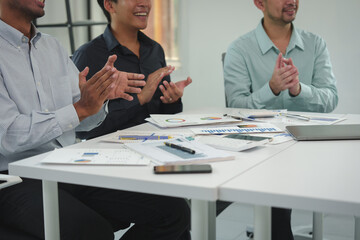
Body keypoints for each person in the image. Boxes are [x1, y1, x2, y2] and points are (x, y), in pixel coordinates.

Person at [0, 0, 191, 239]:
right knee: (91, 231)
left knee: (174, 210)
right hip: (13, 177)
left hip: (64, 165)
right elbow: (8, 135)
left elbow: (81, 124)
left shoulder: (52, 47)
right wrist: (81, 108)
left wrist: (99, 102)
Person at [223, 0, 338, 239]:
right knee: (273, 183)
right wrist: (272, 89)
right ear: (259, 3)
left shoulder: (315, 44)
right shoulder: (239, 49)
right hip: (261, 148)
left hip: (306, 147)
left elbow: (330, 99)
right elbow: (235, 108)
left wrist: (298, 90)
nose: (291, 1)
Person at [72, 0, 192, 140]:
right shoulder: (89, 55)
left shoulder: (155, 50)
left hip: (156, 146)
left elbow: (165, 119)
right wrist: (139, 98)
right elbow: (81, 129)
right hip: (111, 153)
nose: (145, 3)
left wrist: (172, 101)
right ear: (110, 5)